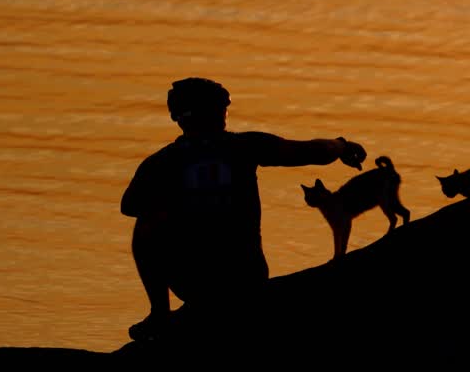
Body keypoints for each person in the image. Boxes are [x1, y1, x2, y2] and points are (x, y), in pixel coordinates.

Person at [121, 77, 367, 342]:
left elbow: (130, 206)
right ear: (216, 113)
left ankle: (160, 313)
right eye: (223, 108)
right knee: (149, 218)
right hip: (247, 277)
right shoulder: (245, 146)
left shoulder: (161, 163)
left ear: (178, 117)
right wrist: (342, 145)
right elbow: (309, 151)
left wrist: (181, 201)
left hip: (192, 282)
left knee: (147, 222)